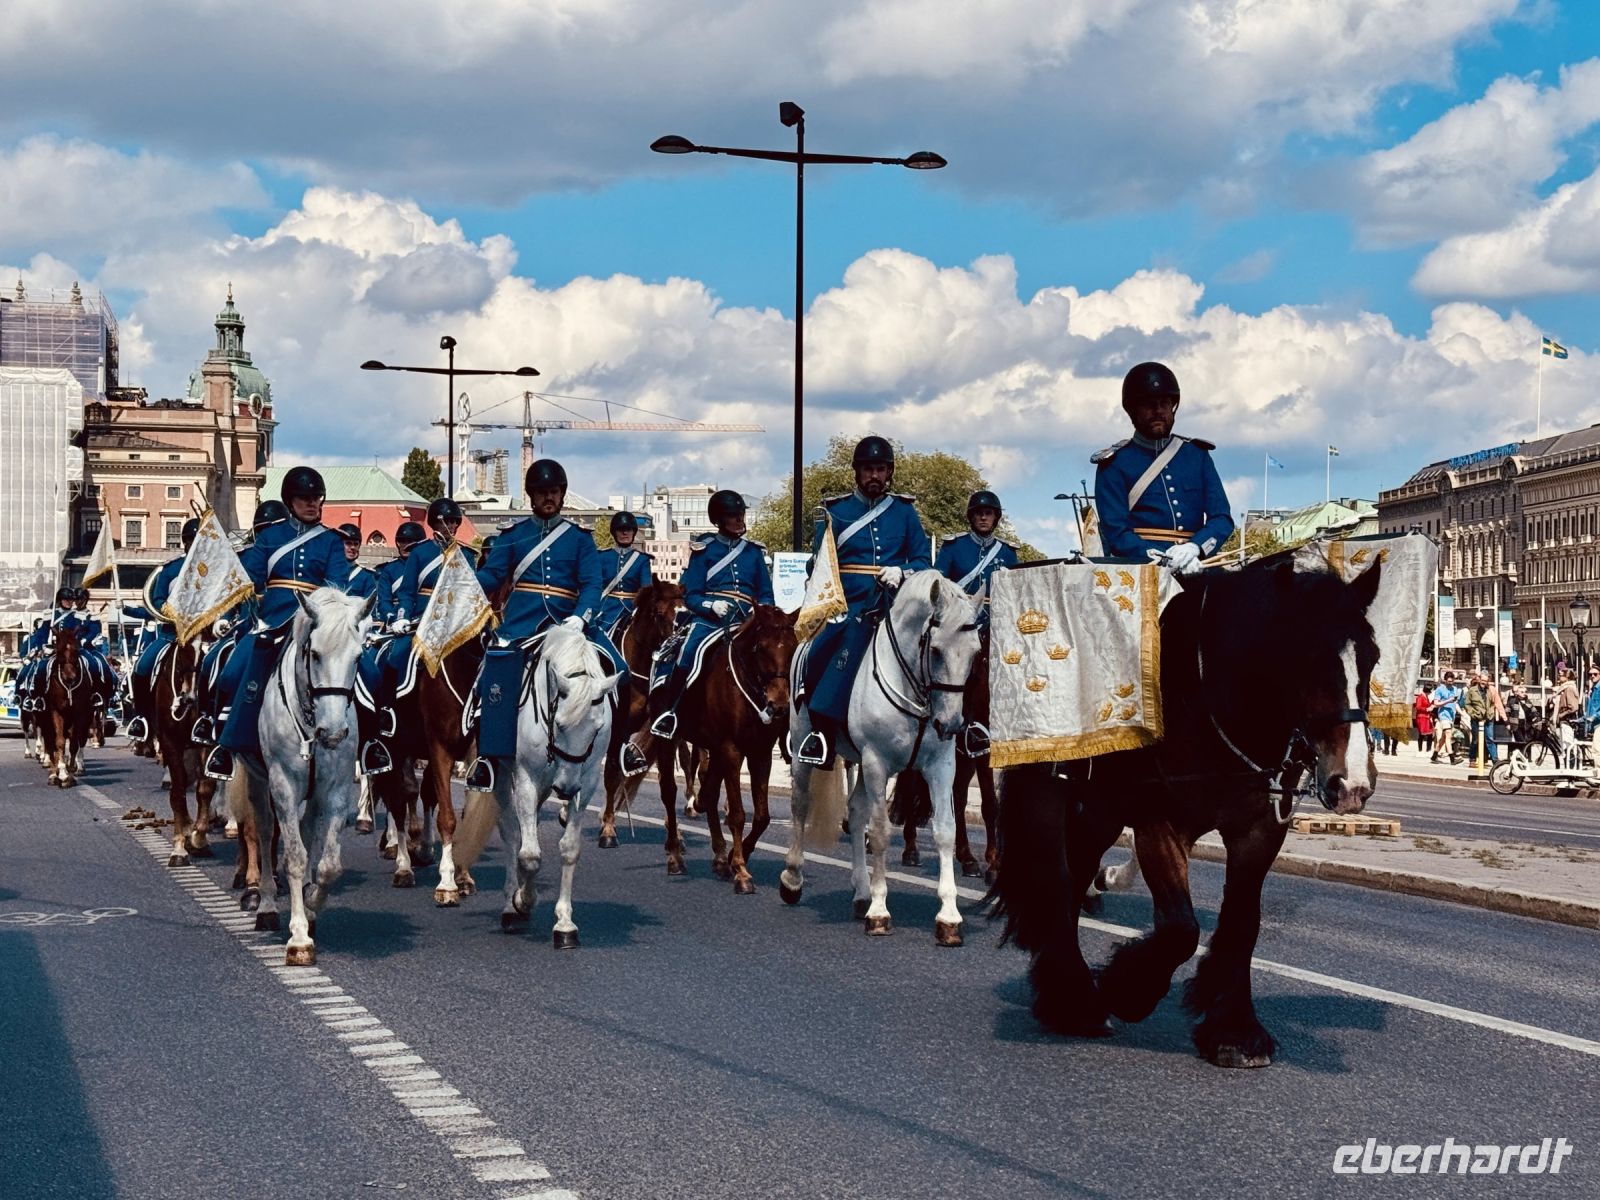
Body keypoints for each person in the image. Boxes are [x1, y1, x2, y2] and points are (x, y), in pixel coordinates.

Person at [464, 458, 621, 791]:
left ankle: (619, 744)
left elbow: (592, 583)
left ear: (562, 494)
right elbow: (493, 575)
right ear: (531, 496)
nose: (548, 498)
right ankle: (488, 759)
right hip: (522, 623)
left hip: (570, 622)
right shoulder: (514, 534)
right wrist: (463, 581)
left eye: (553, 491)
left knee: (618, 667)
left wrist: (581, 617)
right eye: (541, 492)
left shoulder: (580, 538)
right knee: (490, 678)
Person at [204, 466, 350, 780]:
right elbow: (246, 583)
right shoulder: (271, 537)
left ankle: (372, 743)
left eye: (317, 498)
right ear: (289, 500)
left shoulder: (331, 541)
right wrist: (225, 616)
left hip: (316, 624)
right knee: (230, 674)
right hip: (272, 623)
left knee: (370, 674)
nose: (313, 504)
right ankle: (226, 746)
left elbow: (337, 585)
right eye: (304, 498)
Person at [796, 435, 932, 767]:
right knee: (820, 651)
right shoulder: (836, 512)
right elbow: (819, 563)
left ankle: (941, 732)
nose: (875, 476)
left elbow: (923, 562)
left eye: (881, 469)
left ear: (890, 473)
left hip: (896, 604)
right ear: (857, 473)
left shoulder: (904, 512)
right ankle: (821, 734)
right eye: (869, 469)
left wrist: (901, 571)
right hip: (850, 605)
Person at [643, 490, 772, 755]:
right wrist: (711, 605)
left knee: (777, 654)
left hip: (747, 619)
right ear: (719, 520)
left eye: (740, 515)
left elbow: (766, 593)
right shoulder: (705, 549)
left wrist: (759, 611)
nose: (739, 520)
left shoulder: (754, 553)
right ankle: (671, 713)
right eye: (732, 516)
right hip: (711, 621)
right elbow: (691, 595)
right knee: (690, 653)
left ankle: (779, 718)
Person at [1092, 362, 1233, 573]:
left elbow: (1221, 518)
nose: (1158, 411)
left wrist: (1196, 548)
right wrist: (1161, 558)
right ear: (1133, 410)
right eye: (1149, 405)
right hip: (1142, 570)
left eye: (1164, 403)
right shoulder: (1114, 463)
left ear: (1172, 407)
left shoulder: (1197, 456)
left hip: (1196, 566)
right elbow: (1117, 533)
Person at [353, 520, 428, 775]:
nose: (406, 546)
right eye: (402, 542)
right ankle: (385, 710)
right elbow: (384, 599)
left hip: (425, 625)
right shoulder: (389, 571)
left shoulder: (425, 566)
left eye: (411, 543)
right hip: (396, 627)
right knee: (388, 659)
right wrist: (393, 617)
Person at [933, 489, 1018, 627]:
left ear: (995, 517)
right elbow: (938, 585)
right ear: (972, 517)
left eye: (988, 513)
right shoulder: (953, 546)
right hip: (959, 623)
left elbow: (1015, 591)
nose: (983, 518)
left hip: (997, 624)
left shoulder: (1007, 551)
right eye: (979, 513)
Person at [392, 497, 477, 628]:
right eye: (445, 522)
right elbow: (407, 591)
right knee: (400, 648)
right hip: (422, 616)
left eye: (454, 521)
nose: (450, 526)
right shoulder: (419, 552)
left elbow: (470, 591)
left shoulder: (466, 554)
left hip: (455, 618)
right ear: (435, 523)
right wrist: (403, 616)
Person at [594, 512, 654, 642]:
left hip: (631, 610)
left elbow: (646, 590)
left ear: (633, 532)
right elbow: (595, 585)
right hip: (606, 609)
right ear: (614, 533)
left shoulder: (642, 559)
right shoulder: (602, 556)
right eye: (621, 530)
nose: (625, 533)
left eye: (628, 530)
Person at [339, 523, 380, 602]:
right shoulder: (327, 572)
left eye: (356, 544)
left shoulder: (366, 575)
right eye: (348, 543)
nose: (353, 547)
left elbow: (370, 605)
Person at [1428, 672, 1464, 764]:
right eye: (1448, 681)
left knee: (1443, 738)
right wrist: (1448, 701)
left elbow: (1455, 703)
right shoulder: (1440, 689)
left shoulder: (1455, 689)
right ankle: (1452, 758)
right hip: (1443, 715)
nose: (1450, 683)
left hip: (1451, 716)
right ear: (1445, 680)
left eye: (1451, 682)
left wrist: (1461, 713)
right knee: (1448, 735)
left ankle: (1434, 756)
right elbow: (1436, 703)